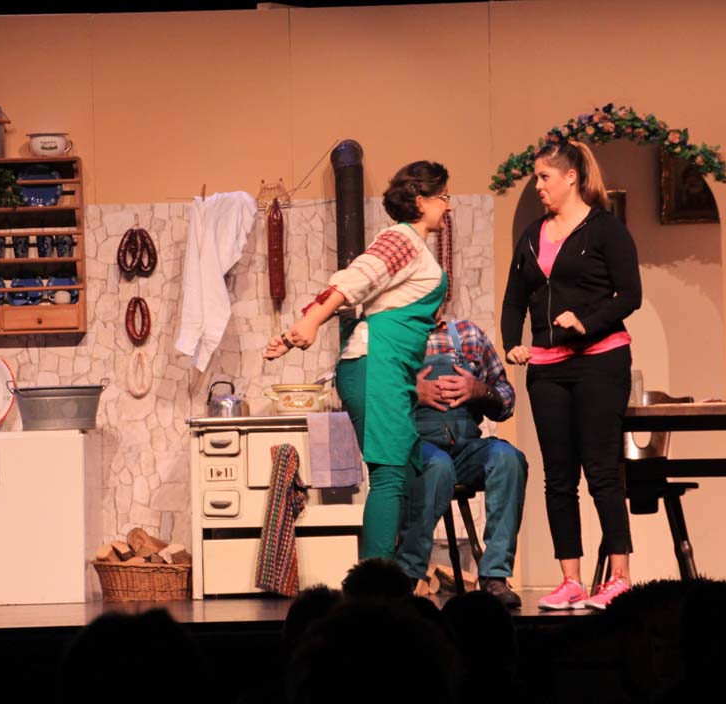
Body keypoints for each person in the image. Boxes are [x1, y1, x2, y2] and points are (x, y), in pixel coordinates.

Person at [265, 161, 449, 561]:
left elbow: (356, 293)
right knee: (390, 475)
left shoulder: (413, 247)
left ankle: (399, 573)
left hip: (389, 369)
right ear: (421, 200)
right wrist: (311, 321)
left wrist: (295, 333)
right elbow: (354, 280)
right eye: (443, 197)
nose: (447, 205)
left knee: (411, 471)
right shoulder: (401, 239)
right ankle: (374, 584)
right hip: (376, 365)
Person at [500, 139, 641, 611]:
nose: (538, 186)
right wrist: (512, 342)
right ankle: (571, 581)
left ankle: (619, 577)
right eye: (535, 178)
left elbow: (630, 295)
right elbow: (514, 299)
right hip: (547, 367)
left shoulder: (605, 229)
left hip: (600, 359)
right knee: (558, 477)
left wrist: (586, 322)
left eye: (544, 177)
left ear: (570, 177)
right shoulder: (532, 235)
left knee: (601, 471)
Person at [393, 316, 528, 608]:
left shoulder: (468, 334)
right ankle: (407, 576)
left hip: (466, 448)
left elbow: (506, 398)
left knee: (508, 459)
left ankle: (494, 575)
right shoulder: (397, 333)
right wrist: (410, 392)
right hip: (419, 448)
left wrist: (479, 389)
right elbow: (375, 396)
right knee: (437, 466)